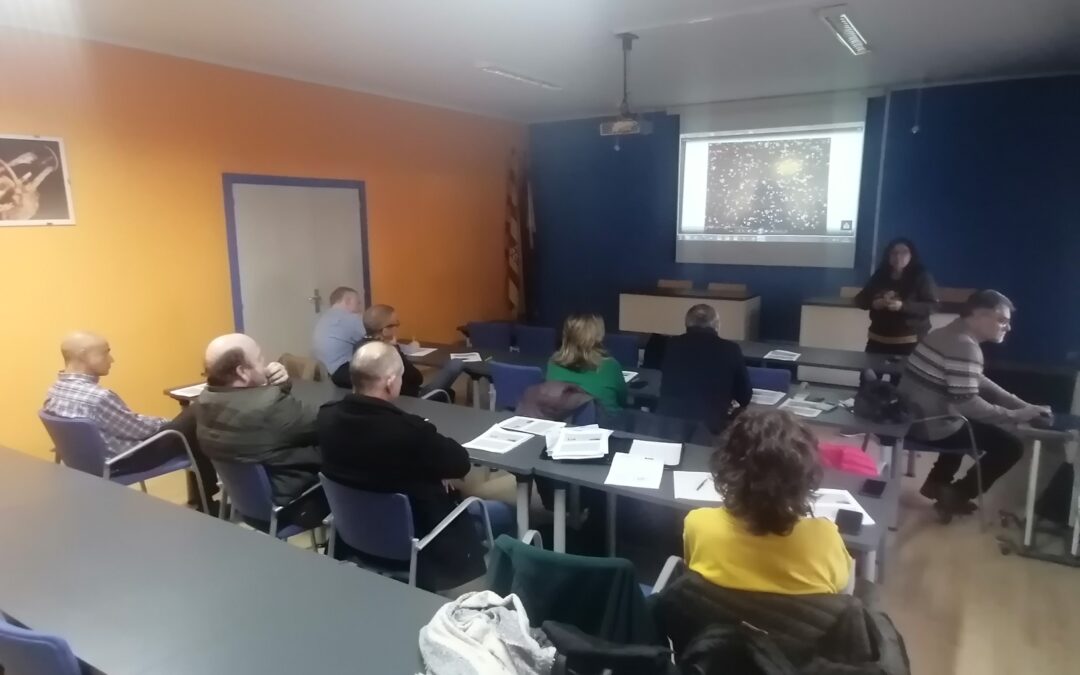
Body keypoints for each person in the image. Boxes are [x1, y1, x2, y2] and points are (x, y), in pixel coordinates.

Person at [318, 341, 513, 591]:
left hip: (356, 539)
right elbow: (460, 463)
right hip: (424, 540)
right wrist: (435, 468)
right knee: (504, 513)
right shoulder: (409, 432)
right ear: (390, 382)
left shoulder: (326, 417)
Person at [900, 290, 1051, 520]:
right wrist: (1016, 415)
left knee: (965, 423)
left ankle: (936, 484)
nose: (1007, 328)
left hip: (910, 416)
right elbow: (968, 404)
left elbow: (977, 380)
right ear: (979, 315)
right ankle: (956, 493)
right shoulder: (965, 347)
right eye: (1002, 320)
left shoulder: (947, 332)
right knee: (1010, 446)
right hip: (928, 425)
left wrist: (1022, 405)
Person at [42, 331, 218, 512]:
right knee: (199, 410)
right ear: (84, 354)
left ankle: (206, 501)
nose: (111, 359)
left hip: (87, 462)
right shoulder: (98, 397)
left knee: (191, 432)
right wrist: (169, 423)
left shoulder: (55, 390)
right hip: (124, 460)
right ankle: (208, 502)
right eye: (105, 352)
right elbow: (139, 430)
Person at [683, 409, 851, 595]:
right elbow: (841, 587)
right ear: (805, 475)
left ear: (727, 467)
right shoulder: (825, 539)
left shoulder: (698, 524)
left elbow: (691, 567)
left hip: (720, 621)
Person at [194, 333, 324, 508]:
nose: (266, 365)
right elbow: (326, 422)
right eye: (259, 359)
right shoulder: (269, 408)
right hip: (292, 504)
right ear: (242, 372)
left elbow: (271, 427)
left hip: (247, 502)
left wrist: (279, 386)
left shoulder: (203, 401)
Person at [659, 304, 752, 434]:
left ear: (687, 324)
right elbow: (745, 396)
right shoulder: (730, 349)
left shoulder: (670, 345)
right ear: (717, 325)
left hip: (669, 425)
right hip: (710, 428)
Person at [359, 304, 465, 399]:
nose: (398, 327)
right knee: (456, 363)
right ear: (385, 331)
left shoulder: (359, 347)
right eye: (397, 324)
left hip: (384, 398)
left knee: (449, 392)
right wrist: (396, 350)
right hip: (409, 399)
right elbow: (417, 379)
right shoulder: (388, 353)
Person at [855, 238, 939, 356]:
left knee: (904, 375)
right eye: (894, 252)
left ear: (911, 255)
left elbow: (933, 306)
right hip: (878, 339)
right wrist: (874, 303)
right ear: (888, 255)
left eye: (904, 252)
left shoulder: (922, 276)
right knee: (868, 374)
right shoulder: (880, 275)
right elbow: (860, 300)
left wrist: (903, 306)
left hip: (909, 341)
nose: (898, 256)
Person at [546, 314, 627, 413]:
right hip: (607, 425)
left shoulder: (553, 362)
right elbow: (623, 400)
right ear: (598, 337)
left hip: (567, 422)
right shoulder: (611, 366)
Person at [313, 286, 366, 389]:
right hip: (341, 372)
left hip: (324, 371)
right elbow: (375, 339)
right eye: (358, 303)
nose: (360, 308)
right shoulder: (350, 318)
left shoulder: (323, 317)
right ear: (347, 301)